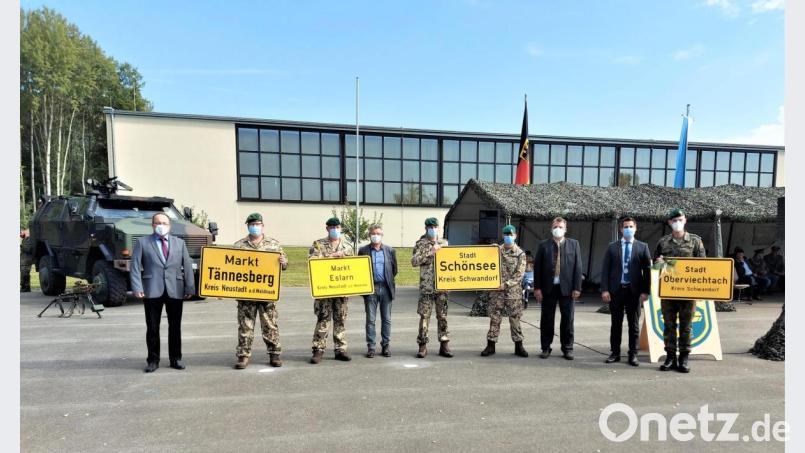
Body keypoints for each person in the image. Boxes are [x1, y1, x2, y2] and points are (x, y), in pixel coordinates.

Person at [130, 213, 195, 373]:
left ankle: (176, 359)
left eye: (164, 223)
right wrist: (137, 287)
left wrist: (190, 287)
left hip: (175, 289)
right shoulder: (143, 242)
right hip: (152, 289)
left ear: (170, 225)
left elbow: (187, 266)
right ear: (152, 225)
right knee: (152, 327)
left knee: (175, 327)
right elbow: (135, 266)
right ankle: (153, 360)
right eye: (158, 222)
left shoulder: (179, 243)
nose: (161, 225)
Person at [233, 213, 288, 369]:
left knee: (270, 324)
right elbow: (230, 269)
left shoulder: (273, 244)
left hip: (266, 294)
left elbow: (284, 264)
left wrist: (283, 262)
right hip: (246, 294)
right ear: (248, 226)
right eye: (252, 224)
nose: (255, 227)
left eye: (257, 224)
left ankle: (274, 354)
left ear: (262, 226)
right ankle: (243, 356)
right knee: (245, 325)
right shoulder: (239, 245)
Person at [654, 208, 706, 374]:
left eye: (680, 219)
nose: (677, 222)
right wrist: (659, 262)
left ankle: (684, 358)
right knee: (669, 325)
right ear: (669, 222)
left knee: (686, 326)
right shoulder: (663, 242)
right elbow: (655, 266)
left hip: (688, 293)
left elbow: (704, 267)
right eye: (674, 220)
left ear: (685, 220)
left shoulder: (696, 241)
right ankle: (670, 357)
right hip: (669, 292)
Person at [599, 217, 651, 367]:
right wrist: (604, 289)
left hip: (634, 292)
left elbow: (647, 271)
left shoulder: (643, 247)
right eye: (625, 226)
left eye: (631, 226)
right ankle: (615, 353)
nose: (628, 228)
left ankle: (633, 354)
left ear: (635, 228)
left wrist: (646, 291)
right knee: (616, 324)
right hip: (616, 291)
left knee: (633, 325)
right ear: (621, 229)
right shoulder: (612, 247)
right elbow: (605, 270)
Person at [534, 217, 583, 360]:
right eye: (555, 226)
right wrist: (537, 288)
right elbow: (537, 268)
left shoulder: (574, 245)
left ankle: (567, 348)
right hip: (548, 289)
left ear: (565, 229)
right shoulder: (543, 245)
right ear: (551, 228)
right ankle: (545, 348)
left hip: (567, 289)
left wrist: (577, 287)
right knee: (547, 319)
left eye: (561, 227)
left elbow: (578, 267)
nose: (558, 229)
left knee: (568, 320)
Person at [308, 217, 354, 364]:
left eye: (337, 227)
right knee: (323, 319)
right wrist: (332, 256)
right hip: (325, 290)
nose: (335, 230)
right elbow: (312, 262)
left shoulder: (347, 246)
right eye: (332, 227)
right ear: (327, 228)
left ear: (341, 228)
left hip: (341, 291)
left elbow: (353, 266)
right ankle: (318, 349)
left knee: (340, 319)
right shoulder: (318, 244)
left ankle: (340, 349)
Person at [481, 225, 528, 358]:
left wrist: (506, 284)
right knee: (495, 318)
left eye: (510, 234)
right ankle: (491, 345)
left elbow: (519, 274)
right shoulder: (496, 250)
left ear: (515, 236)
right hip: (497, 292)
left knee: (515, 319)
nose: (508, 236)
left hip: (513, 292)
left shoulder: (520, 253)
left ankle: (519, 346)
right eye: (505, 234)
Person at [411, 217, 452, 359]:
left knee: (443, 316)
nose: (433, 229)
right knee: (424, 317)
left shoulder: (444, 243)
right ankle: (422, 346)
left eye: (435, 226)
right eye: (430, 227)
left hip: (443, 287)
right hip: (427, 287)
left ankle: (444, 344)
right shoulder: (420, 244)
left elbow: (453, 262)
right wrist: (431, 251)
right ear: (426, 228)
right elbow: (414, 261)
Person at [358, 224, 398, 358]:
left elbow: (394, 270)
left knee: (387, 319)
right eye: (373, 233)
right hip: (371, 289)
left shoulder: (390, 250)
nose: (376, 236)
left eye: (378, 233)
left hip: (386, 288)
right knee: (371, 320)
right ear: (369, 235)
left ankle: (385, 346)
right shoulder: (363, 250)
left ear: (382, 235)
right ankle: (371, 347)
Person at [20, 228, 33, 293]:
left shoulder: (29, 239)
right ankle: (23, 287)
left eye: (20, 233)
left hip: (27, 260)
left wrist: (21, 246)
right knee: (23, 274)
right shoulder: (24, 239)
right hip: (23, 260)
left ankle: (26, 288)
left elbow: (29, 249)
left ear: (23, 231)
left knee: (25, 274)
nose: (20, 235)